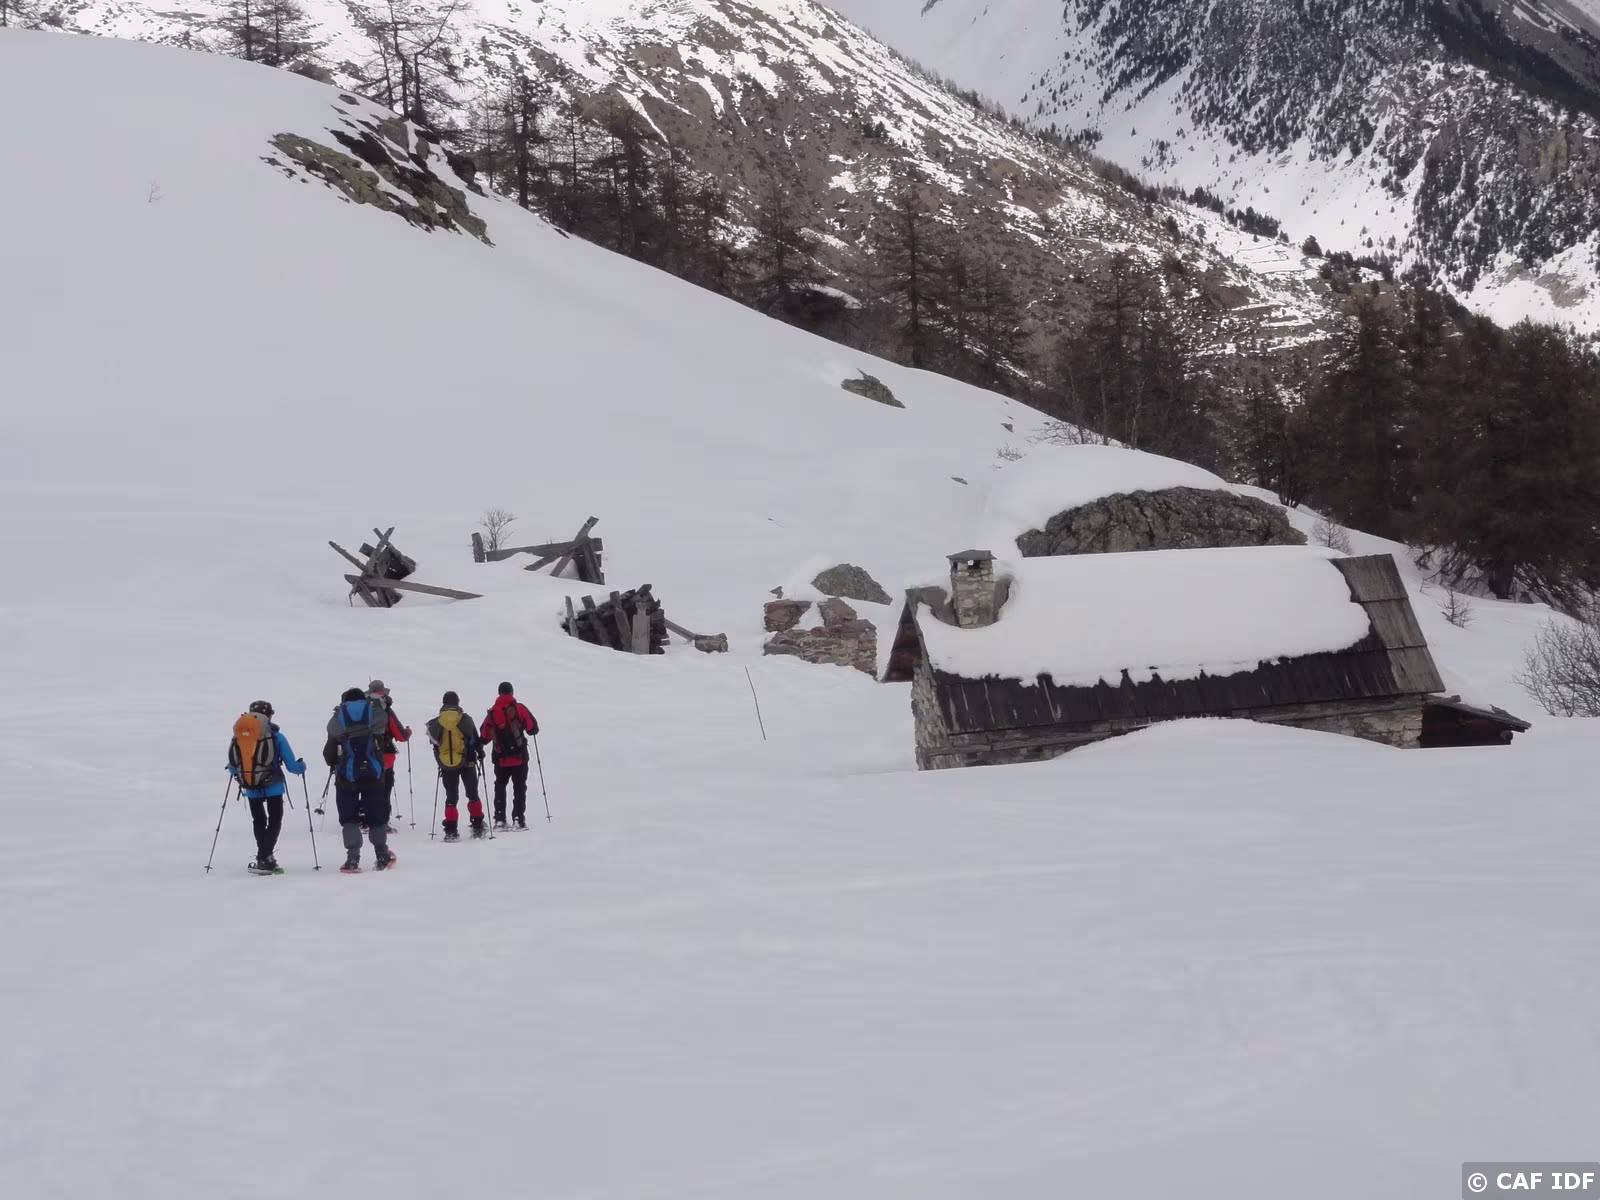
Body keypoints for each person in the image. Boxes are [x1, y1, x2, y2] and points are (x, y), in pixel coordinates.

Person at [228, 700, 307, 874]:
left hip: (250, 785)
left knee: (259, 821)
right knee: (275, 820)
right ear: (270, 715)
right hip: (273, 786)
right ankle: (264, 858)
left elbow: (233, 765)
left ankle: (265, 857)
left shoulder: (240, 737)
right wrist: (302, 767)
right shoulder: (277, 737)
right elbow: (292, 766)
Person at [324, 686, 395, 872]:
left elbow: (329, 749)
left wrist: (334, 762)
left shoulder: (338, 718)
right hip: (373, 774)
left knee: (349, 818)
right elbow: (384, 726)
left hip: (347, 777)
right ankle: (382, 855)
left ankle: (352, 859)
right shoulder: (372, 712)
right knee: (375, 816)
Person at [426, 690, 486, 841]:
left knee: (451, 796)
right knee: (472, 794)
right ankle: (477, 826)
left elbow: (434, 743)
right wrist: (480, 753)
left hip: (446, 764)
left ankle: (451, 830)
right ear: (457, 703)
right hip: (467, 761)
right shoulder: (466, 719)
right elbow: (475, 739)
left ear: (443, 703)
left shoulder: (436, 722)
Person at [480, 681, 539, 830]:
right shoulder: (519, 708)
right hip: (519, 757)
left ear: (499, 693)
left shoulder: (492, 712)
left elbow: (484, 737)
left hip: (500, 757)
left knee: (500, 786)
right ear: (512, 692)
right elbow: (533, 729)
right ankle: (518, 820)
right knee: (519, 787)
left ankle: (500, 820)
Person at [366, 679, 411, 834]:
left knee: (367, 788)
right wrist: (408, 732)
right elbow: (401, 736)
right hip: (385, 758)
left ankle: (365, 821)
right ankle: (382, 823)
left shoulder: (362, 708)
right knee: (384, 789)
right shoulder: (387, 711)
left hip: (364, 756)